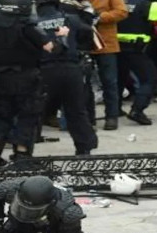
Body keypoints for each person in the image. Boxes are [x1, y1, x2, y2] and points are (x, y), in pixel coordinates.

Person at [0, 0, 69, 165]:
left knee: (3, 116)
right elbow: (51, 48)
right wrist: (61, 37)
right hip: (27, 76)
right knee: (27, 115)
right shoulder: (27, 26)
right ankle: (22, 153)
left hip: (0, 77)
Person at [36, 0, 99, 155]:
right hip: (71, 69)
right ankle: (85, 147)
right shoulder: (72, 19)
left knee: (34, 111)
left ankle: (23, 150)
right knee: (76, 110)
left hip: (44, 70)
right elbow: (89, 35)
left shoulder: (33, 23)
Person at [90, 0, 128, 130]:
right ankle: (88, 118)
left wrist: (100, 17)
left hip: (107, 46)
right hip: (84, 44)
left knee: (109, 82)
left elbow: (122, 12)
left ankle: (112, 116)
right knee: (84, 85)